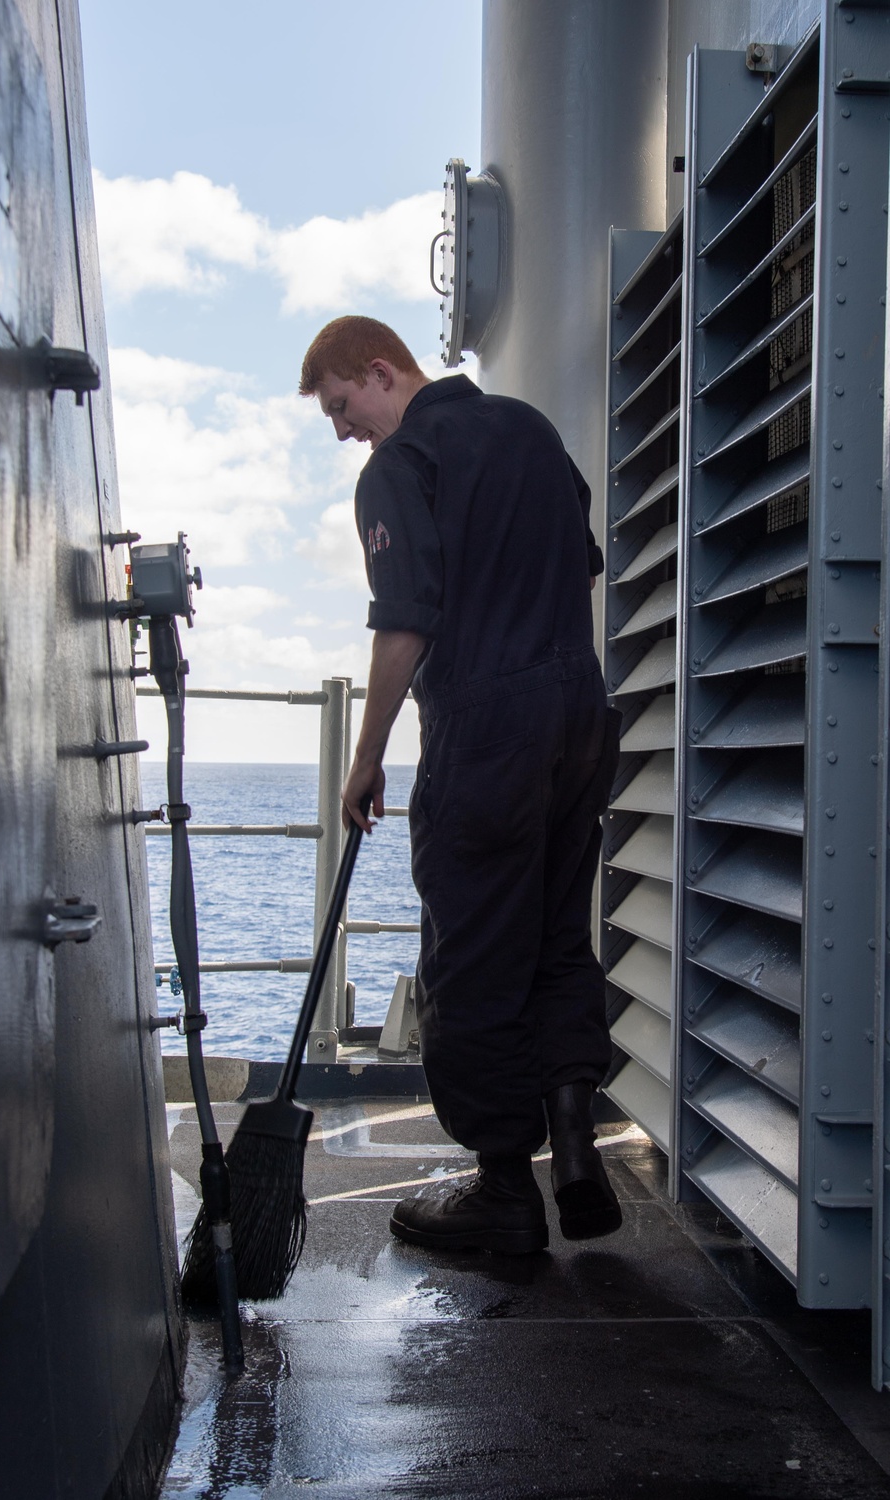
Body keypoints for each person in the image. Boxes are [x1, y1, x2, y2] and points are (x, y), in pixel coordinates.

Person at [300, 315, 622, 1254]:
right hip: (577, 713)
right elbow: (581, 563)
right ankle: (572, 1148)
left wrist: (367, 757)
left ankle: (502, 1193)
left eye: (340, 406)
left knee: (473, 954)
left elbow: (404, 621)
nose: (342, 430)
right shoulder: (529, 429)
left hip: (488, 729)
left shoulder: (401, 466)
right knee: (559, 932)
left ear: (379, 370)